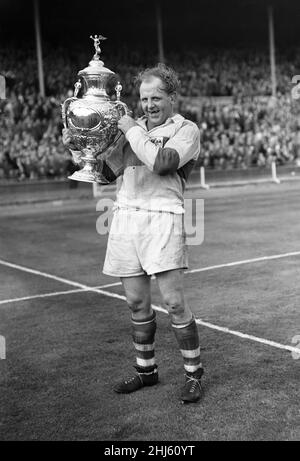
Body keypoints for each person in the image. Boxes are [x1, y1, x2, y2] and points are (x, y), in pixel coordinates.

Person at [63, 63, 204, 403]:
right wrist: (76, 146)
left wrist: (130, 129)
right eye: (143, 98)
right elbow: (105, 171)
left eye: (156, 97)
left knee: (173, 302)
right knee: (136, 303)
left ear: (172, 97)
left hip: (163, 217)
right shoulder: (131, 130)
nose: (149, 104)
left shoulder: (186, 130)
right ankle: (146, 370)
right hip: (126, 217)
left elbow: (162, 162)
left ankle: (194, 373)